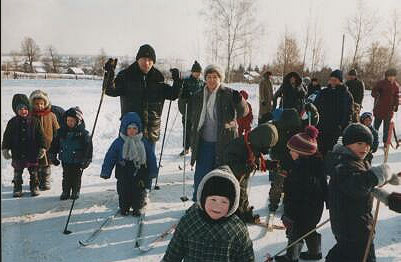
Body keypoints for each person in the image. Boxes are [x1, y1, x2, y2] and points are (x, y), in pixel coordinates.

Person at [103, 44, 180, 188]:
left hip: (151, 128)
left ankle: (145, 190)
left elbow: (173, 95)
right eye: (144, 59)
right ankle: (127, 190)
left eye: (150, 60)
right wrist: (109, 73)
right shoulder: (126, 76)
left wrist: (177, 81)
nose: (147, 63)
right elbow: (110, 90)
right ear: (138, 59)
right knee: (127, 160)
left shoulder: (158, 78)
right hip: (131, 128)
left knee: (147, 160)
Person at [325, 123, 400, 262]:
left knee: (342, 254)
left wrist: (389, 198)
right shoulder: (343, 166)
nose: (365, 148)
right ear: (347, 143)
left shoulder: (356, 162)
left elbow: (367, 187)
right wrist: (379, 174)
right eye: (359, 143)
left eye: (368, 145)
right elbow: (357, 185)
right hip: (354, 228)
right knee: (362, 256)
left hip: (353, 225)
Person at [162, 166, 255, 262]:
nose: (217, 206)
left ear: (232, 204)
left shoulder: (238, 230)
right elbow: (172, 256)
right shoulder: (189, 222)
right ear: (203, 199)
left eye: (224, 202)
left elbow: (247, 258)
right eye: (213, 199)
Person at [188, 64, 249, 201]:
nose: (211, 80)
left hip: (224, 142)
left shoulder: (228, 93)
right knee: (201, 176)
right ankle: (198, 203)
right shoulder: (199, 95)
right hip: (203, 142)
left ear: (220, 78)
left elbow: (244, 112)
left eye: (215, 77)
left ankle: (219, 206)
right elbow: (186, 111)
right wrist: (183, 98)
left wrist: (239, 101)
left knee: (221, 176)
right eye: (209, 77)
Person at [275, 126, 327, 262]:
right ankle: (315, 252)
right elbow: (324, 187)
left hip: (300, 210)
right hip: (314, 209)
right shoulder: (316, 165)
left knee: (295, 233)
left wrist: (288, 214)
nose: (290, 152)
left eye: (292, 150)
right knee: (310, 229)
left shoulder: (300, 173)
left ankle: (291, 257)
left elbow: (295, 196)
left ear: (301, 153)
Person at [100, 112, 157, 216]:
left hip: (139, 171)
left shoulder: (143, 142)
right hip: (123, 170)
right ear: (124, 129)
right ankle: (124, 207)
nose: (132, 131)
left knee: (138, 190)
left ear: (139, 129)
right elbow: (110, 157)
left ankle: (137, 207)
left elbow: (151, 158)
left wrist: (153, 171)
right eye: (129, 128)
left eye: (135, 128)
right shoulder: (119, 142)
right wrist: (106, 171)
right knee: (123, 190)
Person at [223, 123, 279, 223]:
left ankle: (245, 214)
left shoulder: (252, 143)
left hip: (242, 179)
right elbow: (230, 165)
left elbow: (256, 161)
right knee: (237, 197)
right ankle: (237, 218)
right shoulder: (237, 146)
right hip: (230, 181)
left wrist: (270, 165)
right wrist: (246, 167)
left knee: (243, 195)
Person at [2, 94, 46, 197]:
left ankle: (34, 187)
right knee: (18, 172)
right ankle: (17, 187)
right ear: (16, 110)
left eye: (25, 108)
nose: (23, 111)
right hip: (17, 152)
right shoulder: (12, 122)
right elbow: (7, 136)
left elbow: (41, 136)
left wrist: (42, 147)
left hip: (32, 152)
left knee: (34, 172)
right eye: (20, 109)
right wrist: (5, 148)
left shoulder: (35, 121)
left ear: (28, 108)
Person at [49, 107, 93, 200]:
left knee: (76, 177)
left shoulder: (83, 134)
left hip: (78, 160)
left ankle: (75, 191)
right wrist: (52, 155)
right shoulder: (61, 132)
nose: (70, 122)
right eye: (68, 120)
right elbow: (54, 144)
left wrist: (87, 159)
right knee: (66, 176)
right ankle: (66, 191)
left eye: (72, 120)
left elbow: (88, 148)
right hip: (65, 159)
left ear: (78, 121)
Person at [268, 109, 303, 212]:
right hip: (287, 160)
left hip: (285, 161)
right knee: (283, 183)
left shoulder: (278, 128)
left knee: (279, 183)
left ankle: (276, 202)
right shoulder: (296, 130)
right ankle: (279, 202)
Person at [314, 69, 353, 156]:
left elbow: (348, 112)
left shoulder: (345, 94)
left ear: (340, 81)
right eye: (331, 80)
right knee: (319, 148)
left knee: (331, 151)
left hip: (335, 128)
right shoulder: (324, 92)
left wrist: (342, 126)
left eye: (335, 80)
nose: (332, 82)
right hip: (322, 126)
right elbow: (315, 106)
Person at [29, 89, 60, 190]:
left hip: (48, 145)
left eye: (41, 104)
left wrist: (59, 139)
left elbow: (57, 129)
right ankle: (36, 180)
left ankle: (45, 180)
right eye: (37, 104)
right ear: (32, 104)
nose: (39, 106)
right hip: (34, 145)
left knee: (46, 165)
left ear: (45, 103)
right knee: (36, 165)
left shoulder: (51, 115)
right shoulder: (30, 116)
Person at [177, 60, 204, 156]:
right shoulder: (186, 81)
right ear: (192, 72)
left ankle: (194, 148)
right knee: (187, 129)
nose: (197, 74)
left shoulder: (202, 83)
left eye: (199, 72)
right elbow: (180, 93)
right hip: (188, 109)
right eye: (196, 72)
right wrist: (184, 95)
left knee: (196, 130)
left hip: (197, 110)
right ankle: (186, 148)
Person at [371, 68, 399, 146]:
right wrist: (377, 93)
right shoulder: (381, 83)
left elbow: (397, 96)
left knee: (386, 129)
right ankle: (373, 141)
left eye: (393, 76)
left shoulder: (396, 85)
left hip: (389, 111)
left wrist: (396, 105)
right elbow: (373, 92)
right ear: (386, 76)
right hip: (379, 109)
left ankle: (385, 142)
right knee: (375, 127)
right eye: (389, 76)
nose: (391, 78)